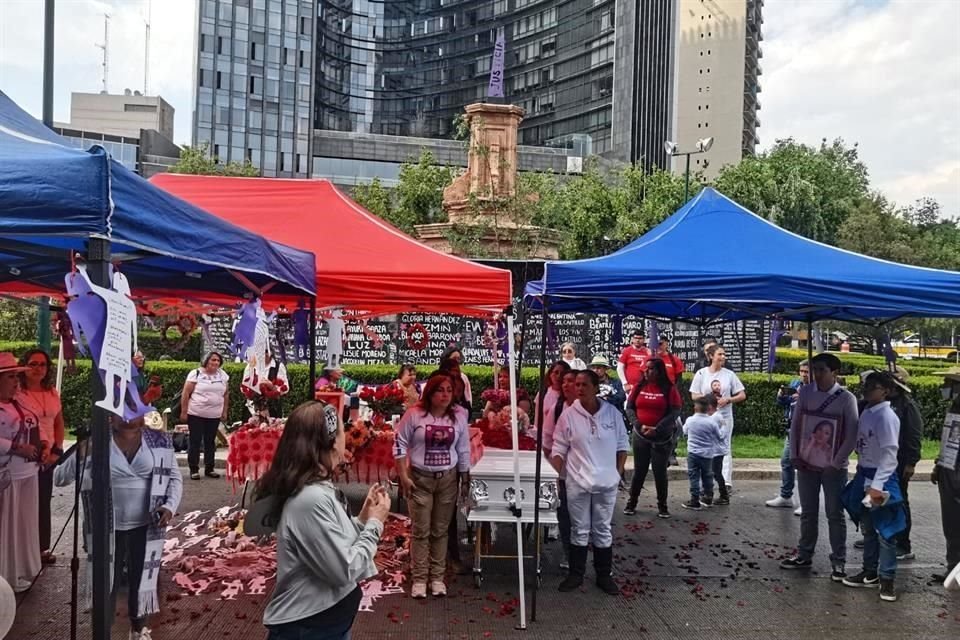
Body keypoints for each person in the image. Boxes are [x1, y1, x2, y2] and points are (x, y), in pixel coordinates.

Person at [258, 401, 389, 640]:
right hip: (309, 628)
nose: (346, 438)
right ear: (329, 442)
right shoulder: (310, 498)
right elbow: (343, 568)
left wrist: (362, 519)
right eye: (342, 431)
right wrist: (375, 525)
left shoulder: (316, 488)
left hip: (324, 623)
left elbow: (332, 541)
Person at [55, 415, 182, 640]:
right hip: (105, 527)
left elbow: (174, 477)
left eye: (134, 410)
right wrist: (83, 453)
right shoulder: (98, 442)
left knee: (141, 579)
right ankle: (102, 632)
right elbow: (59, 478)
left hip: (146, 524)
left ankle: (138, 628)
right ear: (111, 416)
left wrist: (170, 506)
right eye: (122, 410)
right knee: (105, 583)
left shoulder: (159, 440)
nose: (128, 417)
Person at [780, 352, 859, 581]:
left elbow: (851, 435)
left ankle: (839, 561)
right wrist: (795, 454)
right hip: (807, 462)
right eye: (815, 370)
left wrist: (836, 462)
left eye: (822, 370)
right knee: (808, 512)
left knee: (835, 513)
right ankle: (805, 554)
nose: (816, 375)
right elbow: (796, 426)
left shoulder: (846, 399)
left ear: (835, 373)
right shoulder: (805, 392)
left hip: (833, 467)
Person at [550, 370, 629, 595]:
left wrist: (616, 473)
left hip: (607, 482)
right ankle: (576, 574)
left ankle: (604, 575)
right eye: (577, 384)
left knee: (602, 528)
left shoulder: (612, 414)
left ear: (596, 387)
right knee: (579, 528)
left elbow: (623, 446)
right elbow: (559, 448)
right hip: (578, 481)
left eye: (584, 384)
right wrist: (552, 476)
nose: (579, 389)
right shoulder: (568, 416)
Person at [393, 372, 471, 599]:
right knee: (421, 530)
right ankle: (419, 578)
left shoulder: (459, 416)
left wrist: (465, 477)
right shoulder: (414, 414)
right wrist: (403, 475)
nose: (445, 395)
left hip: (447, 479)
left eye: (449, 390)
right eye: (440, 390)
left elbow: (463, 449)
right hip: (419, 479)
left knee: (440, 530)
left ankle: (437, 578)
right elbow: (398, 443)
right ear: (430, 392)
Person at [841, 372, 902, 602]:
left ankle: (887, 578)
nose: (866, 390)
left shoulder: (886, 416)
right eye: (865, 385)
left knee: (885, 530)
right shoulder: (867, 411)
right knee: (867, 527)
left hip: (881, 477)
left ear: (885, 390)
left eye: (872, 387)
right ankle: (870, 570)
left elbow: (889, 454)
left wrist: (877, 486)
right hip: (864, 472)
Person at [16, 348, 65, 565]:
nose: (37, 369)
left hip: (49, 455)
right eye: (33, 364)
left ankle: (42, 548)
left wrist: (57, 450)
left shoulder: (52, 392)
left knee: (43, 502)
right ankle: (20, 549)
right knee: (23, 504)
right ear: (24, 366)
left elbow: (58, 422)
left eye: (42, 365)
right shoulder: (17, 392)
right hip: (26, 455)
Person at [0, 353, 41, 593]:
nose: (16, 382)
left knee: (23, 523)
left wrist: (42, 447)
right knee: (8, 524)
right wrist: (17, 447)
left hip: (27, 471)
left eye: (17, 377)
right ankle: (6, 574)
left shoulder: (20, 402)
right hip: (8, 474)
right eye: (11, 377)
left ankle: (22, 568)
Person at [623, 359, 683, 519]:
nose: (647, 372)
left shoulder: (669, 389)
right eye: (645, 369)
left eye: (650, 369)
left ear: (659, 371)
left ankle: (662, 506)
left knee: (659, 472)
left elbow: (675, 411)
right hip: (640, 435)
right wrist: (638, 424)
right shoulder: (639, 386)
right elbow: (629, 408)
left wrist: (658, 428)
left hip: (661, 438)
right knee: (639, 471)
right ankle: (632, 502)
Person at [689, 344, 746, 490]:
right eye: (720, 354)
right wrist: (709, 399)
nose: (723, 357)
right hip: (706, 416)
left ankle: (726, 482)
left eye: (724, 354)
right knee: (706, 447)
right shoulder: (701, 374)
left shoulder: (729, 374)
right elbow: (694, 395)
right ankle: (706, 482)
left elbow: (741, 394)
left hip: (724, 416)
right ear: (711, 356)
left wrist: (728, 400)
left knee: (724, 446)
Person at [766, 361, 809, 511]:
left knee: (805, 466)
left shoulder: (816, 388)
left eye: (806, 372)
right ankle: (786, 495)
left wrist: (802, 399)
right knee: (786, 461)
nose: (803, 374)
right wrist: (781, 396)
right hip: (791, 428)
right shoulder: (795, 383)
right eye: (801, 371)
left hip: (807, 430)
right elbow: (784, 403)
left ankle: (807, 503)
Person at [180, 351, 229, 480]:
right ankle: (194, 469)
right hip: (196, 413)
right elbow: (186, 393)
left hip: (214, 415)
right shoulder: (196, 374)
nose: (215, 363)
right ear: (206, 361)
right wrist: (184, 411)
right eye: (213, 360)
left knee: (210, 442)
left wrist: (224, 411)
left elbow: (225, 394)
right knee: (195, 441)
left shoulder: (223, 375)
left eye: (218, 361)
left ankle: (209, 468)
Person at [932, 373, 960, 585]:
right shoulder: (954, 408)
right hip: (948, 469)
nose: (944, 387)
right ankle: (953, 568)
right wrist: (939, 464)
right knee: (951, 524)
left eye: (948, 383)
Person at [682, 394, 725, 510]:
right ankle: (709, 497)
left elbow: (684, 431)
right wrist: (724, 427)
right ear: (708, 408)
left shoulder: (690, 420)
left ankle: (694, 499)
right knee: (708, 475)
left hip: (693, 453)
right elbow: (720, 436)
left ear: (695, 408)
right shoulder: (711, 423)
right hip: (708, 454)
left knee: (694, 476)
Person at [241, 349, 290, 421]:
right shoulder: (251, 365)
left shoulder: (278, 366)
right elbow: (244, 386)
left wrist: (271, 386)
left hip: (273, 408)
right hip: (252, 408)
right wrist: (256, 387)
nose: (264, 354)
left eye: (266, 351)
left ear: (271, 352)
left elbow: (285, 388)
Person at [536, 361, 571, 457]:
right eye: (556, 372)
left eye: (562, 373)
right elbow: (537, 421)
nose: (558, 376)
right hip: (546, 442)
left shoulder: (570, 397)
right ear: (550, 374)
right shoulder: (543, 393)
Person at [617, 331, 652, 395]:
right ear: (632, 339)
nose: (638, 340)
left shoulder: (648, 352)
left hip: (645, 386)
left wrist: (650, 355)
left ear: (644, 340)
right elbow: (620, 368)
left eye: (640, 338)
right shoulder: (626, 351)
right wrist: (625, 383)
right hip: (630, 386)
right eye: (636, 338)